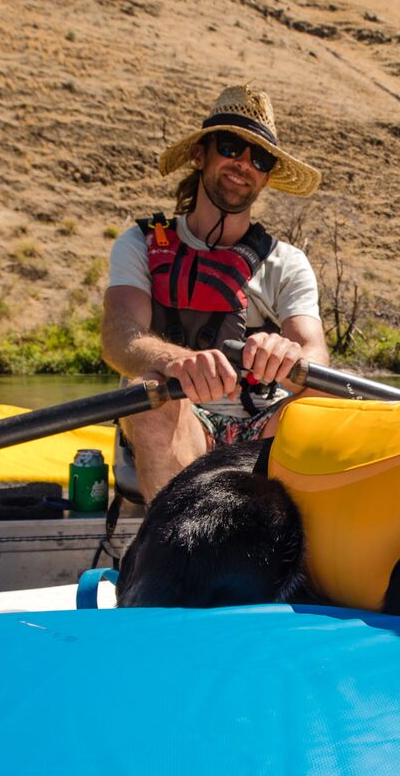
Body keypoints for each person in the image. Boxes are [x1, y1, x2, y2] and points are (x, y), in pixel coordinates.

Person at [101, 84, 329, 500]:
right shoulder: (139, 244)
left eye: (258, 158)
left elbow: (315, 355)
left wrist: (289, 355)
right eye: (230, 147)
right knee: (145, 393)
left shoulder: (288, 262)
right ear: (200, 154)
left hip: (266, 425)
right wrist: (177, 362)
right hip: (180, 418)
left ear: (265, 177)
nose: (243, 164)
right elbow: (120, 337)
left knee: (324, 392)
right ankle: (173, 552)